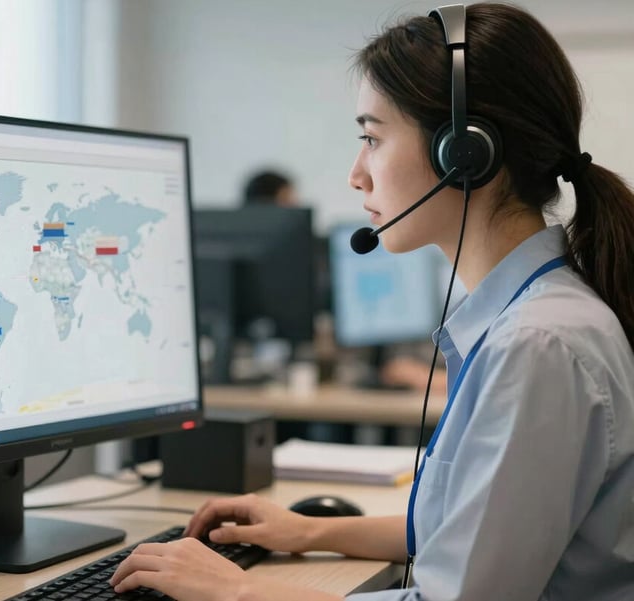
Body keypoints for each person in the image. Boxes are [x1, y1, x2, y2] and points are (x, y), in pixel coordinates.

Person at [109, 3, 634, 600]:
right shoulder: (533, 317)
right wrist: (309, 530)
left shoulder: (539, 345)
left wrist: (236, 592)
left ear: (464, 153)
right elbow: (469, 528)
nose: (356, 174)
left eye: (372, 139)